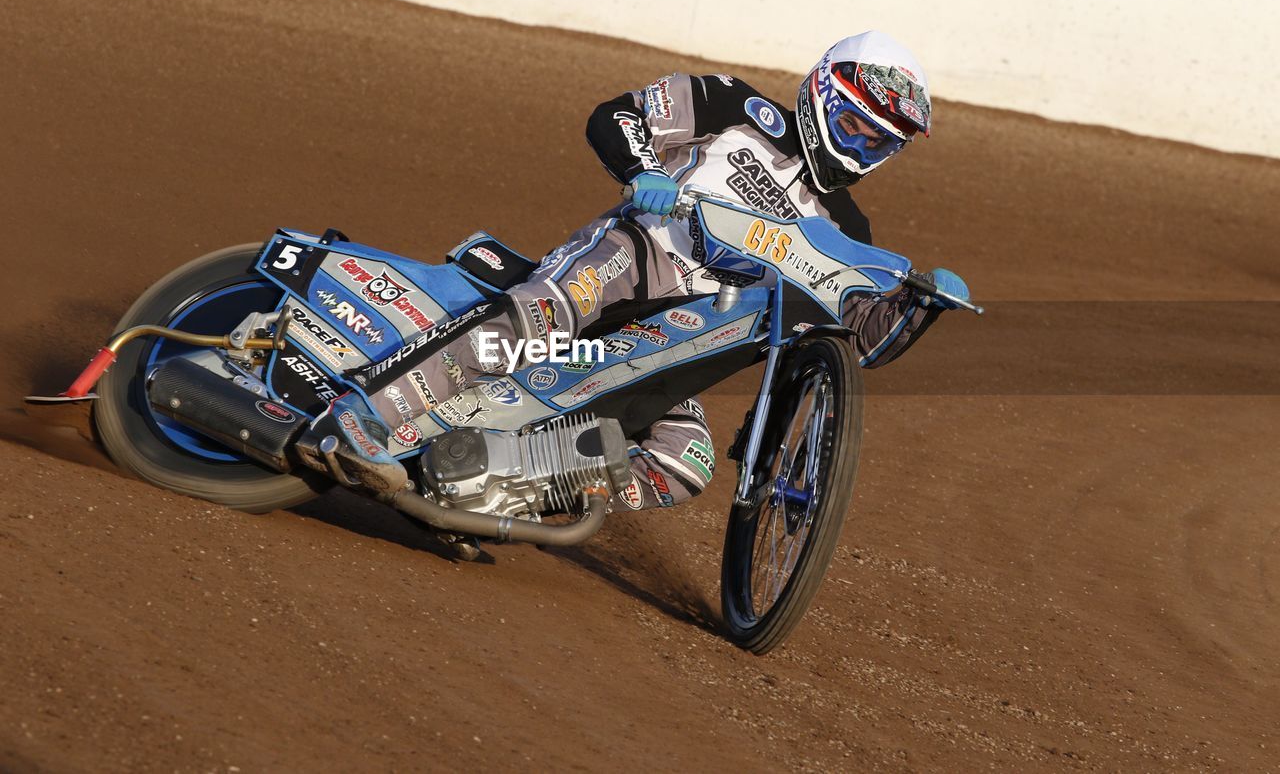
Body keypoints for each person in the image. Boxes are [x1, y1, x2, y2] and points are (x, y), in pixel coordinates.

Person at [302, 30, 969, 510]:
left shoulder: (850, 232)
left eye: (879, 141)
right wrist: (644, 169)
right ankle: (358, 414)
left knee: (688, 460)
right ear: (822, 92)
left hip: (691, 331)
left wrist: (922, 308)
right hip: (635, 253)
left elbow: (864, 333)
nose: (859, 148)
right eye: (854, 126)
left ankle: (497, 481)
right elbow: (616, 115)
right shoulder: (733, 106)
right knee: (535, 318)